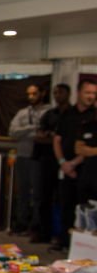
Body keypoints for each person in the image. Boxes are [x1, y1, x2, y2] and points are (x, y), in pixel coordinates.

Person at [52, 80, 97, 251]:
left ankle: (84, 247)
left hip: (87, 170)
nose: (91, 97)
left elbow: (86, 149)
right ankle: (64, 241)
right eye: (88, 93)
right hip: (66, 167)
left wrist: (75, 162)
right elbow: (58, 140)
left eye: (94, 94)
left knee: (85, 209)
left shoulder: (94, 116)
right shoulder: (67, 114)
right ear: (79, 93)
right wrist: (63, 163)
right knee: (66, 205)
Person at [8, 84, 51, 236]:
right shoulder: (22, 113)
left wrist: (28, 132)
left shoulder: (48, 112)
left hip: (39, 157)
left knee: (38, 193)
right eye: (29, 94)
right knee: (22, 192)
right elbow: (13, 132)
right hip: (22, 155)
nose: (31, 97)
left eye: (34, 93)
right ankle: (21, 222)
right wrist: (31, 129)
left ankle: (36, 224)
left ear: (42, 93)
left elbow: (46, 134)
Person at [35, 83, 71, 243]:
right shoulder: (49, 114)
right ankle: (44, 232)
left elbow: (67, 139)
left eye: (61, 92)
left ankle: (63, 235)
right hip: (47, 160)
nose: (57, 95)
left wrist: (52, 137)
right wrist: (50, 137)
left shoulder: (72, 114)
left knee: (64, 199)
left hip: (67, 162)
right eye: (55, 92)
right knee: (44, 197)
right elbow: (39, 135)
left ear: (68, 94)